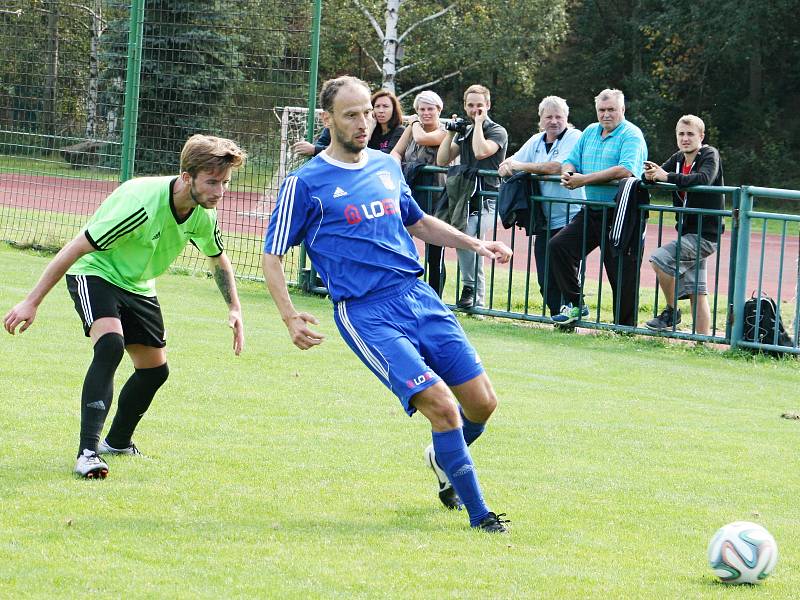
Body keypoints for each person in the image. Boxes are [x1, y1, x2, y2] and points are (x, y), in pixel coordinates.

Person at [261, 76, 512, 533]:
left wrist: (475, 244)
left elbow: (418, 223)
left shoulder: (386, 166)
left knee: (482, 405)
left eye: (367, 113)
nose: (364, 122)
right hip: (366, 312)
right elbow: (271, 254)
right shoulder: (306, 183)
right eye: (351, 114)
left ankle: (443, 455)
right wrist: (289, 316)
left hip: (418, 296)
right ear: (329, 119)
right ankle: (481, 516)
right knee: (443, 407)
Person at [3, 134, 246, 479]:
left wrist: (234, 308)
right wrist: (31, 302)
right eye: (212, 182)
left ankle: (117, 442)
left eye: (224, 183)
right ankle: (87, 452)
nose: (219, 192)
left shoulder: (201, 214)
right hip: (96, 271)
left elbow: (218, 259)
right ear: (186, 177)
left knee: (154, 372)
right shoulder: (141, 204)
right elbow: (77, 248)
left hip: (138, 285)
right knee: (110, 346)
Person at [548, 88, 648, 326]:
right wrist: (569, 173)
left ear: (622, 110)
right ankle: (576, 305)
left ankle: (624, 329)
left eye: (611, 109)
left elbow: (625, 170)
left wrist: (584, 179)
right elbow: (570, 160)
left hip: (623, 212)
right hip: (592, 209)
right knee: (559, 246)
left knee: (620, 271)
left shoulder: (631, 134)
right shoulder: (591, 131)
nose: (606, 115)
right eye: (602, 110)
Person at [498, 95, 585, 317]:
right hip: (544, 219)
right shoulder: (536, 140)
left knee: (567, 272)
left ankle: (571, 313)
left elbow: (557, 167)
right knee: (545, 277)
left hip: (571, 215)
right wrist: (510, 166)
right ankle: (557, 316)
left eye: (559, 116)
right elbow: (507, 164)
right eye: (549, 117)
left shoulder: (575, 136)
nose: (554, 121)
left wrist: (520, 166)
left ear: (567, 118)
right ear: (541, 119)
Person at [643, 114, 724, 334]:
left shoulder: (709, 154)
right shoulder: (678, 158)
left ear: (701, 136)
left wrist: (666, 176)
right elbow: (660, 173)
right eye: (681, 134)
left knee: (659, 259)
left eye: (690, 134)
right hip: (687, 233)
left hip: (705, 234)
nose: (685, 138)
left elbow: (703, 179)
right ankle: (702, 344)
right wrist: (649, 174)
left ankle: (671, 311)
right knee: (697, 292)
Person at [436, 84, 508, 310]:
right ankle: (473, 296)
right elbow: (442, 159)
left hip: (488, 197)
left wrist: (478, 124)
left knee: (467, 235)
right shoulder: (465, 129)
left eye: (479, 105)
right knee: (463, 237)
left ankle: (473, 293)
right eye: (470, 105)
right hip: (465, 194)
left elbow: (481, 152)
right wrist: (450, 132)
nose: (475, 109)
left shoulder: (497, 130)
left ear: (488, 106)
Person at [391, 90, 447, 295]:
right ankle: (403, 291)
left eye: (430, 109)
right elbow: (396, 151)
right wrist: (396, 166)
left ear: (439, 110)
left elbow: (423, 139)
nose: (425, 113)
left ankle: (435, 296)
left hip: (436, 197)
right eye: (421, 109)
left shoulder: (443, 131)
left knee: (434, 252)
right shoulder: (412, 129)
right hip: (411, 194)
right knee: (403, 246)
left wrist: (413, 123)